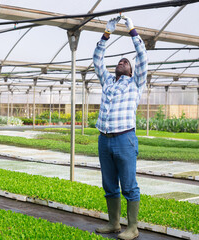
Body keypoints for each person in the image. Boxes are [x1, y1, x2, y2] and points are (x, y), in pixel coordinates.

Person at [93, 15, 148, 240]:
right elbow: (97, 59)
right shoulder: (107, 80)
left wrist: (132, 30)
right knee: (109, 184)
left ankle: (132, 228)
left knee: (129, 185)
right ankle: (114, 223)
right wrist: (106, 34)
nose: (122, 62)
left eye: (127, 62)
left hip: (124, 139)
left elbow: (142, 57)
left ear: (132, 71)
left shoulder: (136, 84)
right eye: (120, 61)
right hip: (104, 138)